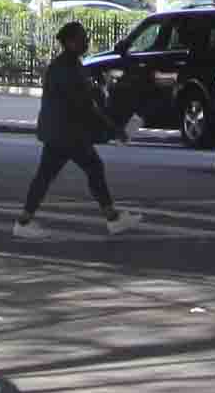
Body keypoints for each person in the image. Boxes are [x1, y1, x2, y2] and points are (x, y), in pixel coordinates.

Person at [21, 17, 134, 234]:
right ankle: (112, 218)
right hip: (67, 132)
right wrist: (112, 128)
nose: (87, 42)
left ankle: (24, 221)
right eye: (83, 39)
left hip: (60, 131)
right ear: (70, 42)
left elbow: (85, 99)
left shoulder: (68, 65)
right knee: (93, 168)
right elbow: (84, 104)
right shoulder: (67, 68)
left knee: (46, 176)